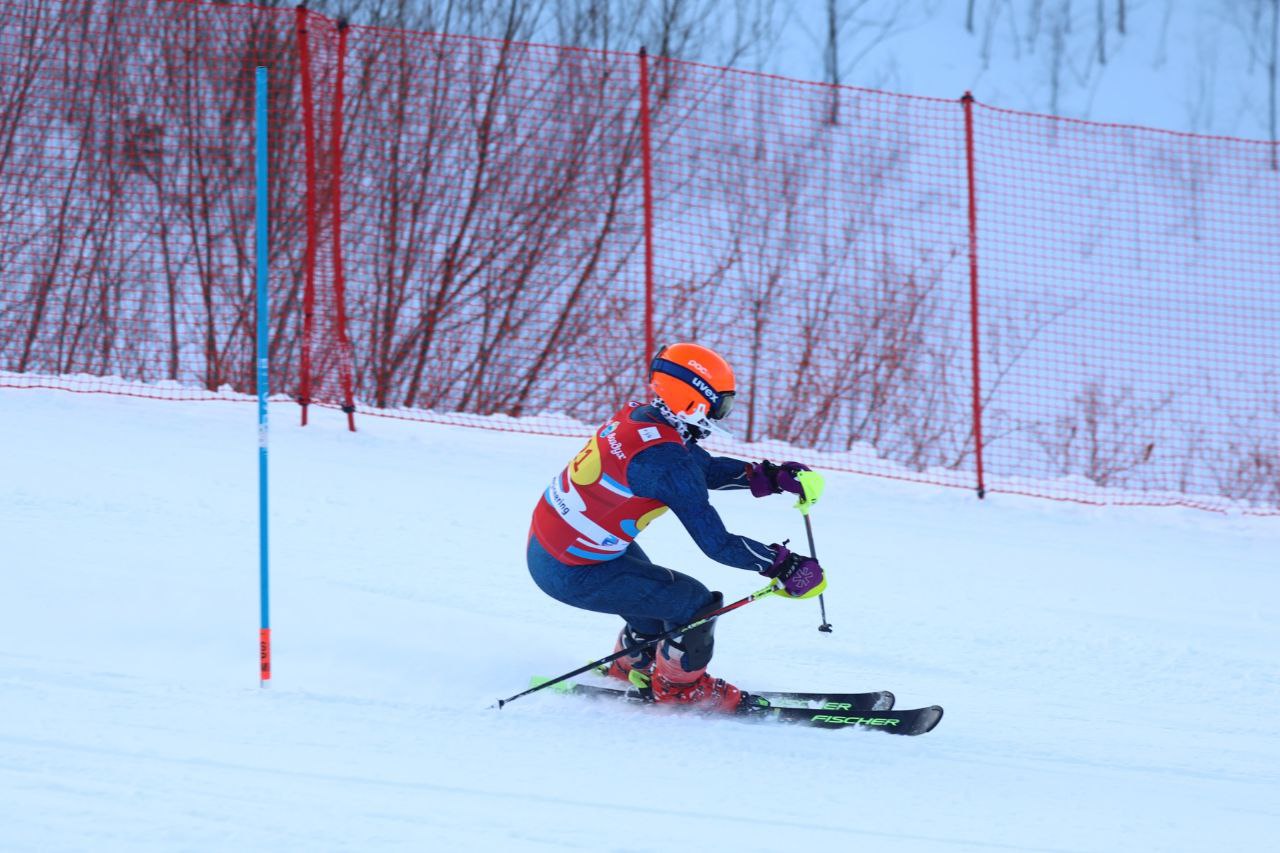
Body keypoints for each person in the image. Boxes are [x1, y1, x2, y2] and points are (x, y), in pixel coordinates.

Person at [526, 342, 827, 713]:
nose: (722, 414)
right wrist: (783, 566)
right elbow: (717, 543)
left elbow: (700, 467)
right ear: (695, 401)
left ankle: (635, 662)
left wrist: (769, 477)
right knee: (693, 605)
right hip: (573, 569)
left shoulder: (643, 418)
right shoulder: (666, 462)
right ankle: (680, 690)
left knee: (656, 596)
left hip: (557, 544)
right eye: (721, 404)